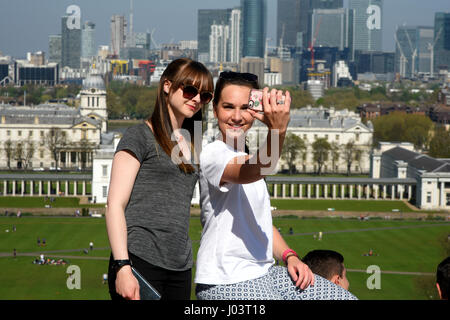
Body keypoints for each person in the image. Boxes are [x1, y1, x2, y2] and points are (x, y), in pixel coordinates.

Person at [195, 71, 356, 300]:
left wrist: (290, 256)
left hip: (265, 272)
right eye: (228, 107)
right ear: (215, 110)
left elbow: (262, 224)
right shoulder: (213, 153)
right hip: (226, 280)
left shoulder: (247, 155)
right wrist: (278, 130)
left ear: (257, 109)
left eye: (245, 108)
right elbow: (257, 168)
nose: (237, 116)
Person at [105, 58, 214, 300]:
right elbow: (114, 205)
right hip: (139, 259)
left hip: (180, 265)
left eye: (205, 95)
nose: (196, 99)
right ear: (167, 85)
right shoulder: (139, 136)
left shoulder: (194, 144)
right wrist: (123, 266)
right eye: (190, 90)